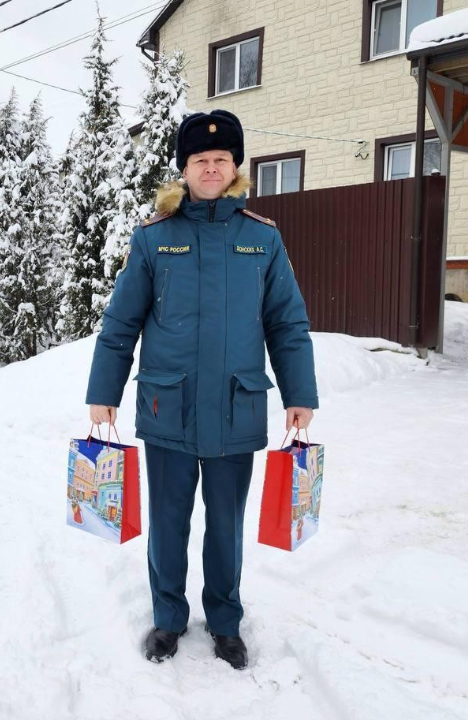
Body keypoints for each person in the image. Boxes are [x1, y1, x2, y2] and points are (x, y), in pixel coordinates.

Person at [85, 109, 318, 670]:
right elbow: (121, 324)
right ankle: (168, 618)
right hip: (168, 405)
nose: (210, 168)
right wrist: (104, 391)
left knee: (226, 525)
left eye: (220, 159)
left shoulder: (261, 240)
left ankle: (224, 620)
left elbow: (286, 323)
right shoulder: (154, 240)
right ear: (184, 170)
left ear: (235, 166)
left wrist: (299, 394)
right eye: (199, 160)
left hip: (236, 408)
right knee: (167, 520)